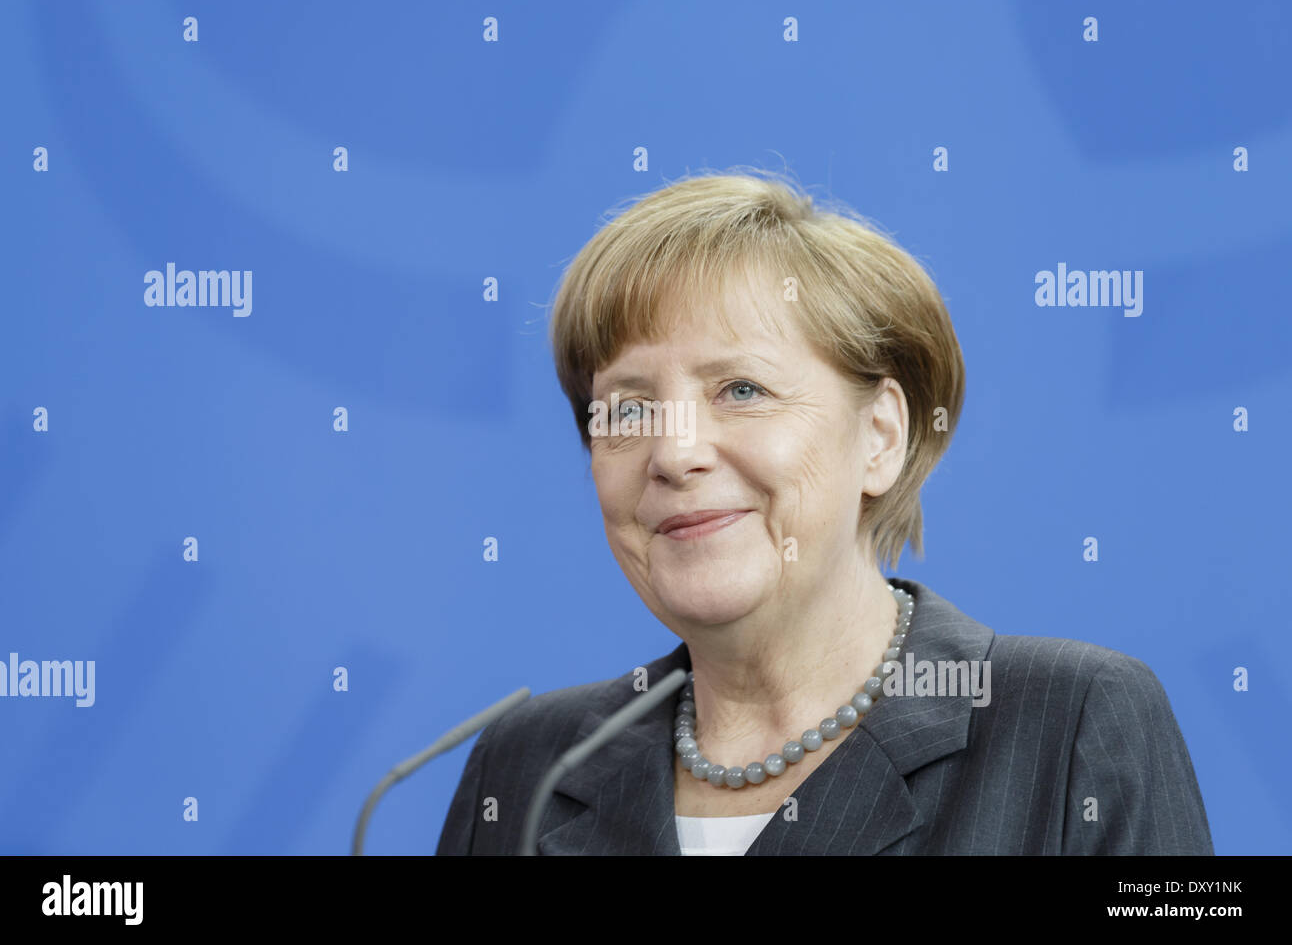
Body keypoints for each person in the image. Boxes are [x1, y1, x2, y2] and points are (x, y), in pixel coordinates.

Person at [436, 168, 1213, 855]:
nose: (672, 455)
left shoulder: (1068, 723)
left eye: (740, 390)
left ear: (880, 438)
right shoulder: (527, 764)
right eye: (628, 410)